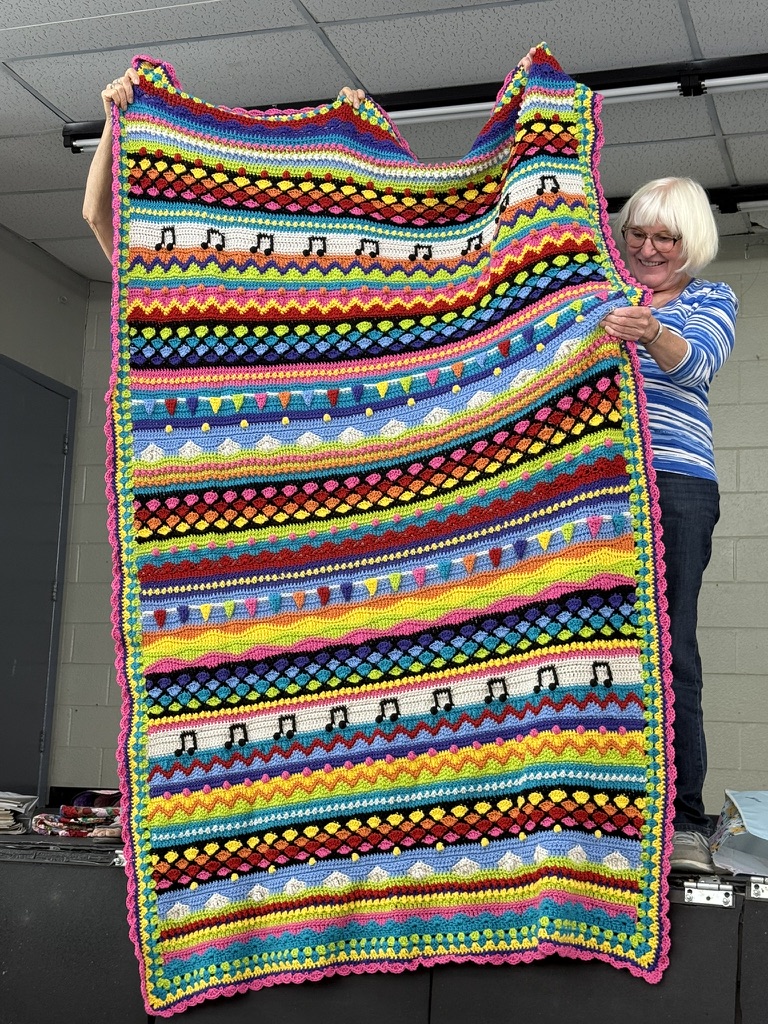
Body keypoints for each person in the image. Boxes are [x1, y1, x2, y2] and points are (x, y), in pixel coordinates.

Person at [601, 178, 737, 873]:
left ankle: (681, 820)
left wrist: (652, 331)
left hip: (674, 486)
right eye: (638, 234)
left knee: (669, 648)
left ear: (693, 243)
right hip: (596, 491)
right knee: (595, 649)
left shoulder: (711, 298)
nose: (649, 249)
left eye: (667, 238)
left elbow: (697, 364)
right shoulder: (597, 295)